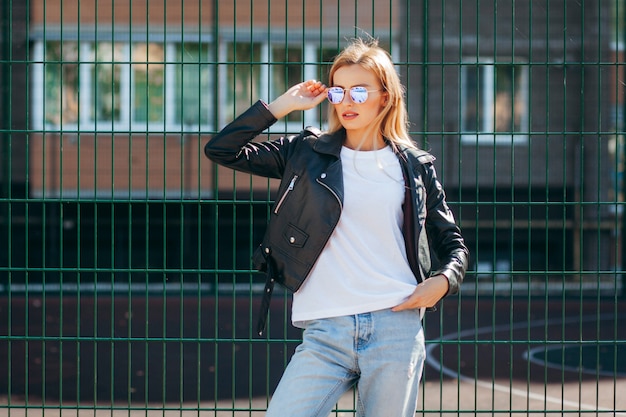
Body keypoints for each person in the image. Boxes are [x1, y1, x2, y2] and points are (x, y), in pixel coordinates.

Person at [204, 38, 468, 417]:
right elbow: (222, 149)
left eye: (360, 90)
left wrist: (442, 282)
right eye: (338, 90)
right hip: (327, 331)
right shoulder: (307, 152)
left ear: (385, 97)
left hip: (395, 328)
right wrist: (284, 105)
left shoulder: (414, 165)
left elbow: (453, 244)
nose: (347, 100)